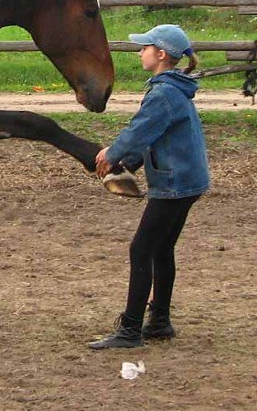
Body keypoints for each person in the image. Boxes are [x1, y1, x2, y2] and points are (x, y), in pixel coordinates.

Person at [89, 24, 210, 350]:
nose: (139, 51)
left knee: (140, 249)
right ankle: (159, 322)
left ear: (161, 54)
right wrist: (128, 163)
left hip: (175, 183)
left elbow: (139, 131)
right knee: (160, 248)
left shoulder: (164, 93)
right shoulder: (172, 88)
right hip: (188, 181)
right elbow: (157, 135)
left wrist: (111, 154)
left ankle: (130, 330)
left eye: (145, 47)